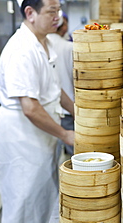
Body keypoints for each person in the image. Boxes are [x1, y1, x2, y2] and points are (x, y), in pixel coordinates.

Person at [0, 0, 74, 222]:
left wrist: (79, 113)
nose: (58, 16)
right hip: (20, 141)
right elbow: (30, 108)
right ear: (30, 12)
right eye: (51, 11)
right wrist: (66, 134)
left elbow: (54, 90)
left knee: (43, 203)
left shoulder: (44, 43)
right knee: (23, 207)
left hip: (39, 138)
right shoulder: (22, 50)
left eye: (59, 10)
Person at [47, 12, 74, 157]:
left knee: (55, 153)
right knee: (73, 154)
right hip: (68, 108)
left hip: (51, 110)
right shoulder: (68, 47)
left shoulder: (44, 44)